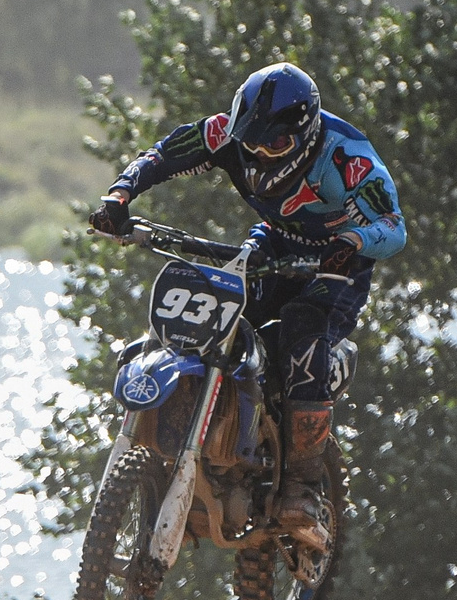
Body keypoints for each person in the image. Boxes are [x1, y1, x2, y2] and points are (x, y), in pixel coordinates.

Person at [91, 63, 406, 538]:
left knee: (302, 331)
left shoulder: (346, 158)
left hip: (337, 263)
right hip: (273, 244)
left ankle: (301, 484)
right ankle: (214, 426)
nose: (258, 152)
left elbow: (393, 226)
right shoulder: (225, 134)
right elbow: (163, 155)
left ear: (305, 134)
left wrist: (354, 243)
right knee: (216, 310)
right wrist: (119, 196)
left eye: (274, 145)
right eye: (250, 140)